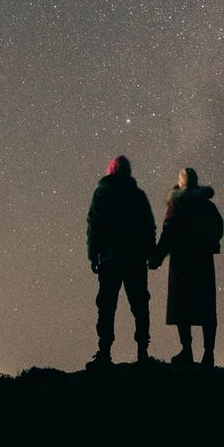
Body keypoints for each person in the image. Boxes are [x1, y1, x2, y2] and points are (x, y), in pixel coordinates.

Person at [85, 155, 156, 369]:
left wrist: (93, 254)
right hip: (135, 259)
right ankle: (143, 352)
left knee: (106, 306)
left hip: (110, 258)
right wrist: (150, 253)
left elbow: (93, 226)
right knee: (140, 305)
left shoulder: (102, 194)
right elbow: (149, 227)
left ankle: (104, 353)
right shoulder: (138, 195)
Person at [149, 167, 224, 367]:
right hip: (203, 263)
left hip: (182, 263)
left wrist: (157, 257)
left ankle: (187, 351)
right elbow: (218, 227)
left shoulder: (177, 204)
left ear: (181, 182)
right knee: (206, 307)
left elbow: (168, 233)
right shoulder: (207, 205)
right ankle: (209, 354)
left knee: (182, 306)